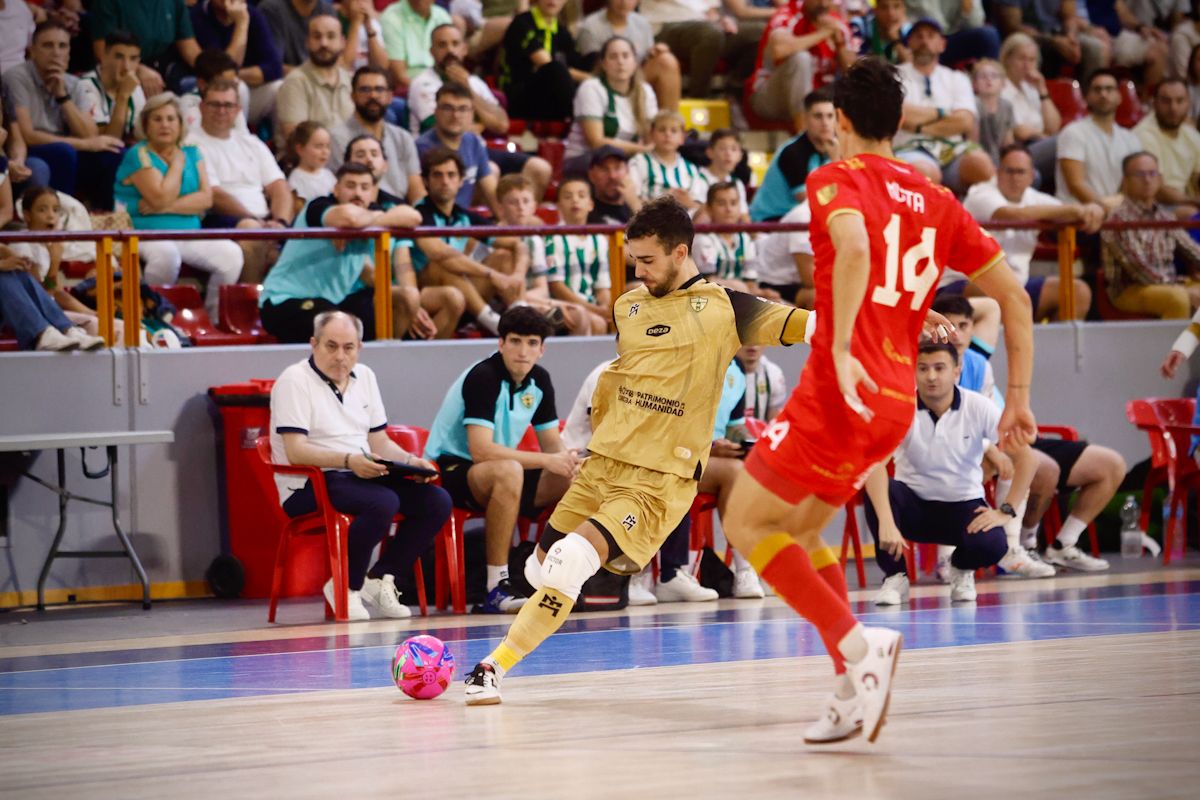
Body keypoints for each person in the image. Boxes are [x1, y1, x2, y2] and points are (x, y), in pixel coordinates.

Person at [719, 57, 1036, 746]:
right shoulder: (940, 200)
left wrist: (834, 350)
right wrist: (1016, 397)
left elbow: (857, 246)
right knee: (797, 533)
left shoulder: (835, 178)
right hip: (893, 400)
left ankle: (859, 648)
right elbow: (1012, 298)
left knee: (743, 520)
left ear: (843, 122)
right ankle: (848, 685)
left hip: (844, 387)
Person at [461, 195, 818, 706]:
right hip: (602, 467)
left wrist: (900, 324)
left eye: (648, 260)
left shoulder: (728, 309)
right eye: (633, 261)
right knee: (541, 572)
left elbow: (817, 327)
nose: (639, 271)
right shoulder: (628, 307)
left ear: (680, 252)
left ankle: (490, 668)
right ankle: (506, 648)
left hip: (658, 481)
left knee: (566, 563)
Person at [270, 310, 451, 621]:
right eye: (331, 346)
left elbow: (379, 440)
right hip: (308, 482)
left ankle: (380, 578)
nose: (340, 356)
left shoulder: (365, 376)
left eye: (348, 347)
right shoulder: (294, 380)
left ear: (359, 348)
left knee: (436, 500)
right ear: (313, 344)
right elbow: (296, 451)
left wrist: (410, 461)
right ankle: (346, 586)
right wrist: (348, 460)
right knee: (382, 501)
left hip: (358, 473)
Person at [424, 306, 577, 613]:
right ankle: (496, 585)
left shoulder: (540, 380)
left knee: (573, 477)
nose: (523, 351)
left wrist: (569, 461)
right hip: (452, 469)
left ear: (542, 349)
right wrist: (548, 461)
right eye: (516, 341)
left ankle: (558, 575)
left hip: (500, 474)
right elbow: (481, 450)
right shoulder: (484, 376)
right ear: (501, 344)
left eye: (532, 343)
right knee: (510, 471)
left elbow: (551, 446)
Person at [864, 343, 1035, 606]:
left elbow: (1027, 459)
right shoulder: (901, 407)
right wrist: (886, 520)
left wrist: (1006, 511)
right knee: (882, 492)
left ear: (957, 371)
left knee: (993, 544)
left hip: (963, 507)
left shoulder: (979, 407)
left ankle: (961, 568)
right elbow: (874, 463)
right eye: (923, 368)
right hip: (913, 507)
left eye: (939, 368)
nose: (931, 376)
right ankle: (895, 576)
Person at [113, 93, 243, 319]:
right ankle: (150, 314)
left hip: (187, 231)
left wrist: (162, 208)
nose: (165, 124)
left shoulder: (193, 151)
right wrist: (177, 164)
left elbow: (206, 199)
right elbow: (160, 196)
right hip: (144, 234)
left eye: (171, 119)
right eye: (158, 119)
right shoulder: (138, 154)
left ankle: (213, 319)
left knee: (231, 255)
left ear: (180, 124)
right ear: (145, 124)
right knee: (167, 255)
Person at [260, 162, 421, 342]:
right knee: (337, 324)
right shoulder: (318, 207)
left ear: (373, 193)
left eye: (364, 187)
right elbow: (348, 217)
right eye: (350, 186)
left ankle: (384, 361)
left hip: (335, 301)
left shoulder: (373, 213)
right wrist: (365, 222)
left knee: (407, 297)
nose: (358, 193)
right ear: (336, 190)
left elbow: (413, 216)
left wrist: (369, 221)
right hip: (285, 301)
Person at [963, 144, 1101, 320]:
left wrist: (1093, 209)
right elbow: (1014, 215)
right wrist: (1075, 210)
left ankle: (1055, 348)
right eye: (1009, 171)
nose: (1015, 178)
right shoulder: (980, 193)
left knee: (1078, 292)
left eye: (1020, 172)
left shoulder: (1035, 197)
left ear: (1032, 176)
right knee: (1003, 293)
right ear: (997, 172)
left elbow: (1074, 213)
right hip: (970, 281)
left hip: (1017, 285)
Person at [4, 21, 124, 208]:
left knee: (113, 153)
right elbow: (27, 135)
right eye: (47, 45)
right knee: (63, 152)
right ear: (32, 50)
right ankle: (62, 216)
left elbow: (89, 133)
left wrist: (63, 97)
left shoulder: (72, 83)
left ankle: (104, 216)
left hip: (65, 149)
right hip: (33, 149)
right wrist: (85, 144)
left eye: (62, 46)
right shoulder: (16, 77)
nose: (56, 52)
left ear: (69, 52)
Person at [186, 79, 294, 283]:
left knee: (309, 231)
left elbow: (279, 187)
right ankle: (250, 307)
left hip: (261, 220)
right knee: (251, 232)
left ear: (238, 110)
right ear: (202, 107)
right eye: (214, 104)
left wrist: (280, 223)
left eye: (228, 105)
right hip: (216, 217)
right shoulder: (191, 143)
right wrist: (259, 224)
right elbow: (214, 194)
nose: (221, 111)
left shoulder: (251, 142)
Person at [411, 147, 528, 334]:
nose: (445, 181)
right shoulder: (418, 213)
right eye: (437, 175)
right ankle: (493, 322)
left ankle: (521, 316)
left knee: (504, 256)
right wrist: (491, 274)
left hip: (463, 292)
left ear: (461, 181)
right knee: (444, 264)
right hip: (424, 292)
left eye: (451, 175)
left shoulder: (464, 216)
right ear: (425, 180)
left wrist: (519, 275)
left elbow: (517, 243)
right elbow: (439, 254)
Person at [893, 18, 993, 194]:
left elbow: (965, 122)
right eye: (919, 36)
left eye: (931, 36)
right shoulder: (894, 76)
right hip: (909, 147)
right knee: (926, 172)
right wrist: (944, 114)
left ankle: (969, 216)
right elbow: (901, 116)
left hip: (951, 149)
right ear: (909, 42)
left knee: (982, 165)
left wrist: (917, 125)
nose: (924, 41)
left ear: (942, 44)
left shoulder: (957, 78)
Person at [416, 82, 543, 215]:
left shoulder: (473, 142)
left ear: (472, 114)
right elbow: (420, 201)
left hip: (464, 221)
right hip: (435, 223)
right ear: (435, 111)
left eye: (463, 109)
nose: (456, 115)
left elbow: (492, 194)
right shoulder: (422, 148)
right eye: (448, 108)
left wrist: (508, 225)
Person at [1102, 151, 1200, 318]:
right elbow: (1140, 270)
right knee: (1177, 298)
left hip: (1168, 283)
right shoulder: (1117, 219)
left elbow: (1192, 249)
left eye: (1152, 174)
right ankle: (1174, 345)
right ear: (1125, 181)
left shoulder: (1164, 216)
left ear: (1160, 179)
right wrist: (1181, 287)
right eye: (1140, 174)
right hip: (1131, 289)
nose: (1147, 180)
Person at [748, 0, 855, 129]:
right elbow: (779, 49)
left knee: (862, 80)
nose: (824, 4)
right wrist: (822, 33)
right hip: (769, 97)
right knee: (801, 59)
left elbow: (853, 71)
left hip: (818, 97)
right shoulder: (787, 15)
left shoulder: (836, 23)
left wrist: (839, 43)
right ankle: (805, 136)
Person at [327, 66, 424, 202]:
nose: (373, 95)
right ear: (352, 96)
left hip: (400, 216)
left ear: (390, 97)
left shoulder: (403, 138)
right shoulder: (336, 138)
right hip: (356, 213)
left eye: (379, 89)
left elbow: (417, 191)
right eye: (365, 89)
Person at [563, 36, 658, 172]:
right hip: (584, 158)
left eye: (626, 56)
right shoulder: (591, 88)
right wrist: (643, 150)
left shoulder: (645, 90)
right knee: (615, 166)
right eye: (613, 57)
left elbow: (651, 136)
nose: (620, 62)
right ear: (603, 63)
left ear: (635, 62)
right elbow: (596, 142)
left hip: (627, 157)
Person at [189, 0, 285, 128]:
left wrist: (234, 76)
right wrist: (241, 23)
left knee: (280, 87)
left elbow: (275, 68)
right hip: (208, 97)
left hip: (247, 91)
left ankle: (283, 146)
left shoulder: (252, 13)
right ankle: (236, 138)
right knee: (238, 88)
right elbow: (219, 70)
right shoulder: (199, 16)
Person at [1056, 69, 1142, 208]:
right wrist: (1106, 211)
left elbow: (1132, 184)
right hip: (1080, 216)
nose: (1103, 94)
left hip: (1115, 216)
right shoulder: (1073, 132)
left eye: (1109, 89)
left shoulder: (1131, 138)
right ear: (1086, 97)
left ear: (1119, 97)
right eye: (1097, 89)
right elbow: (1075, 185)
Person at [748, 87, 836, 221]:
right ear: (805, 119)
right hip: (769, 224)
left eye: (830, 116)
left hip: (797, 222)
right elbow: (810, 203)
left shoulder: (835, 148)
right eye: (818, 116)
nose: (825, 123)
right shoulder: (793, 153)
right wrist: (837, 163)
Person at [576, 0, 681, 112]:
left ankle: (670, 123)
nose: (624, 2)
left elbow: (646, 60)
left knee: (666, 61)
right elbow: (593, 69)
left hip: (637, 77)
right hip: (606, 80)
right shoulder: (590, 27)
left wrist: (656, 51)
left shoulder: (642, 23)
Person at [406, 23, 510, 136]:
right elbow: (445, 130)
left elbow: (502, 124)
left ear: (464, 49)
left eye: (455, 44)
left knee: (529, 155)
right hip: (434, 150)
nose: (450, 50)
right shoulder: (422, 83)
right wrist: (482, 124)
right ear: (431, 52)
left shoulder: (475, 82)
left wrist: (468, 88)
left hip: (474, 148)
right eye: (442, 45)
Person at [0, 245, 105, 351]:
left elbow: (55, 289)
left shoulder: (43, 249)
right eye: (49, 227)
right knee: (93, 323)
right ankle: (44, 332)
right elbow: (48, 289)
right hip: (41, 310)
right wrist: (54, 264)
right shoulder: (25, 246)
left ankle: (66, 329)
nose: (54, 230)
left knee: (103, 322)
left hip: (49, 310)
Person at [498, 0, 589, 121]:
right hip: (517, 96)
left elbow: (578, 65)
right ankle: (581, 121)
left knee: (594, 58)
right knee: (556, 70)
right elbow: (546, 64)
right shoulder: (522, 23)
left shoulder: (562, 31)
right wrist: (595, 79)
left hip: (548, 98)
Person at [542, 175, 612, 332]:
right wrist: (595, 310)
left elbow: (602, 287)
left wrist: (604, 307)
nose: (575, 200)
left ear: (590, 204)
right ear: (558, 206)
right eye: (568, 196)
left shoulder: (599, 239)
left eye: (581, 195)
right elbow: (556, 287)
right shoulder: (553, 238)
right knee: (597, 322)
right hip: (562, 305)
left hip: (590, 304)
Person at [275, 13, 354, 147]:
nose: (324, 43)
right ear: (307, 42)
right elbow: (295, 139)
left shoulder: (350, 79)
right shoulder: (295, 82)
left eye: (331, 36)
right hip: (307, 163)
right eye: (317, 37)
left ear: (342, 43)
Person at [89, 0, 200, 95]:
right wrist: (137, 69)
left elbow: (189, 48)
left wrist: (212, 72)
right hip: (123, 70)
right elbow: (102, 51)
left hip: (164, 69)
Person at [998, 32, 1062, 186]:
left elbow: (1054, 126)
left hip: (1040, 143)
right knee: (1066, 141)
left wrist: (1042, 90)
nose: (1027, 65)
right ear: (1007, 60)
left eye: (1032, 60)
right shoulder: (1000, 87)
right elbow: (1019, 131)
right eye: (1022, 59)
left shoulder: (1031, 89)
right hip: (1018, 151)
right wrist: (1045, 136)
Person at [994, 0, 1108, 84]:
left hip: (1056, 32)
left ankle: (1090, 105)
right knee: (1027, 48)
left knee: (1093, 48)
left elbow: (1069, 16)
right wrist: (1054, 42)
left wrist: (1071, 38)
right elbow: (1012, 27)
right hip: (1024, 36)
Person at [1135, 78, 1200, 212]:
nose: (1173, 108)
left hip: (1186, 201)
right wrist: (1193, 201)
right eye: (1166, 101)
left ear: (1189, 103)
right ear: (1154, 103)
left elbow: (1197, 177)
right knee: (1191, 212)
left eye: (1179, 100)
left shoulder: (1191, 135)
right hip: (1152, 205)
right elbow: (1155, 188)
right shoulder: (1143, 135)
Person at [627, 110, 706, 211]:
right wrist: (663, 200)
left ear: (682, 138)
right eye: (662, 130)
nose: (668, 134)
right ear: (651, 134)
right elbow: (633, 201)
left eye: (673, 130)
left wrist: (688, 203)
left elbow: (701, 208)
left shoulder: (691, 169)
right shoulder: (638, 162)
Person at [78, 30, 147, 145]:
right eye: (119, 57)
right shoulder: (85, 87)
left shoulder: (134, 85)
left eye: (133, 59)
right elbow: (109, 144)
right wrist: (123, 97)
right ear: (104, 56)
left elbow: (143, 135)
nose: (126, 66)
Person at [693, 181, 759, 292]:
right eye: (721, 204)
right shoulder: (703, 240)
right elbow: (707, 283)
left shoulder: (745, 239)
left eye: (733, 203)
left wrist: (763, 293)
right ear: (709, 208)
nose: (729, 209)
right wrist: (739, 287)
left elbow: (751, 283)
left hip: (742, 299)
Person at [380, 0, 452, 90]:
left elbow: (452, 65)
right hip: (409, 89)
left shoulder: (442, 15)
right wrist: (429, 91)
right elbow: (399, 75)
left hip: (441, 87)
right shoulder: (391, 17)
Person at [754, 200, 815, 307]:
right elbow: (809, 279)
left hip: (796, 282)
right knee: (819, 297)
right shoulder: (803, 217)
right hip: (773, 283)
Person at [904, 0, 1000, 65]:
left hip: (950, 38)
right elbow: (936, 24)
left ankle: (988, 81)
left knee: (989, 35)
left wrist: (967, 6)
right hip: (918, 37)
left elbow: (975, 23)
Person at [259, 0, 334, 71]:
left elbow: (337, 59)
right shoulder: (272, 9)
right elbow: (272, 67)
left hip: (317, 78)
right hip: (282, 81)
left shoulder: (327, 10)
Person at [695, 128, 749, 221]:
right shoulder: (696, 178)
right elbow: (699, 217)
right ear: (710, 152)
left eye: (734, 149)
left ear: (740, 156)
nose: (728, 154)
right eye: (722, 148)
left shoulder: (737, 183)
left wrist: (755, 235)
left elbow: (743, 216)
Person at [971, 59, 1015, 167]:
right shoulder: (972, 104)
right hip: (978, 160)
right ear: (974, 84)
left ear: (1003, 83)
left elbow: (1008, 143)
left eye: (994, 76)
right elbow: (972, 144)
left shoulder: (1007, 106)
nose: (988, 80)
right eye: (983, 76)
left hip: (1000, 160)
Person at [586, 144, 642, 225]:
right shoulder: (585, 210)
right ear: (591, 175)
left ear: (627, 171)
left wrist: (634, 203)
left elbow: (656, 234)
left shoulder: (637, 206)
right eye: (604, 169)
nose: (612, 176)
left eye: (618, 168)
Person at [285, 121, 337, 202]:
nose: (325, 152)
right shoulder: (296, 180)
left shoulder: (328, 174)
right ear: (300, 149)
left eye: (327, 146)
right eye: (319, 146)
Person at [851, 0, 911, 64]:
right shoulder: (861, 25)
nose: (890, 13)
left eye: (896, 6)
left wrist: (895, 39)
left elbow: (912, 66)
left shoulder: (908, 31)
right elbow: (853, 64)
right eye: (884, 7)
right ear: (875, 10)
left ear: (904, 10)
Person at [739, 343, 787, 421]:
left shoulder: (774, 374)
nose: (752, 343)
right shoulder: (720, 373)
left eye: (758, 337)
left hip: (759, 432)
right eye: (746, 336)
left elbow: (774, 421)